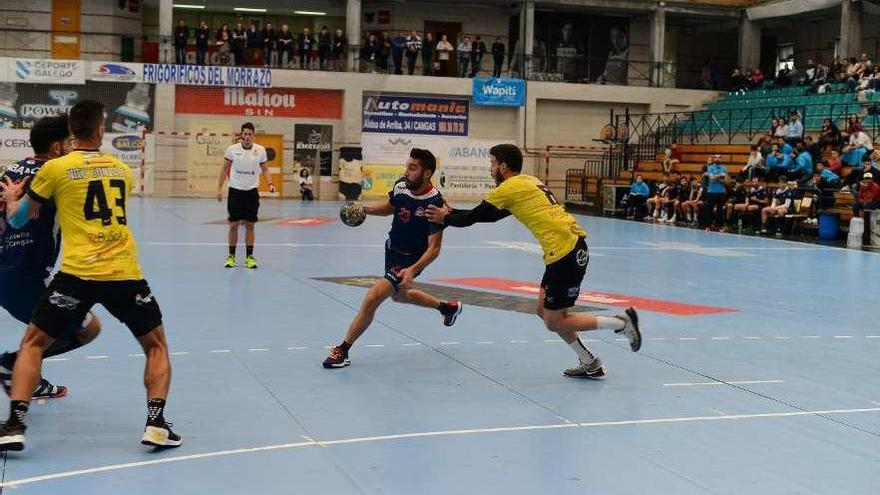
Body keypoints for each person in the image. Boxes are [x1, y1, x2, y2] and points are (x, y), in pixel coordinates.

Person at [0, 100, 180, 451]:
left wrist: (11, 200)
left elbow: (20, 220)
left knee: (33, 344)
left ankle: (14, 426)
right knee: (155, 346)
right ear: (101, 131)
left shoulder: (55, 170)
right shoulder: (121, 170)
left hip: (77, 273)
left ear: (71, 134)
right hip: (123, 272)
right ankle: (156, 425)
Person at [425, 144, 642, 379]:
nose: (491, 169)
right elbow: (489, 215)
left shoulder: (509, 187)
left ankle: (620, 322)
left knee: (554, 320)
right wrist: (452, 212)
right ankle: (590, 362)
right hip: (563, 250)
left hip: (565, 253)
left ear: (504, 167)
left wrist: (446, 218)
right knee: (544, 311)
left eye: (492, 163)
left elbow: (474, 218)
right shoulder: (528, 182)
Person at [323, 149, 463, 369]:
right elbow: (390, 208)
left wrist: (413, 269)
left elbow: (434, 248)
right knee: (400, 297)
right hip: (392, 250)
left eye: (412, 167)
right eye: (407, 165)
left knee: (372, 298)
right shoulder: (400, 186)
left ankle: (343, 350)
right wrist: (365, 210)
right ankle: (447, 308)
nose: (406, 171)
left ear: (426, 174)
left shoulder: (434, 204)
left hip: (410, 260)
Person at [0, 115, 102, 400]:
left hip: (6, 271)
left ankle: (32, 380)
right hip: (29, 276)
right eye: (70, 142)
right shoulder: (56, 173)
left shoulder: (13, 169)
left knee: (41, 330)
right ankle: (14, 366)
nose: (73, 147)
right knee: (89, 329)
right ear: (57, 147)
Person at [216, 122, 275, 269]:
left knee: (250, 225)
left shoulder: (260, 151)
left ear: (253, 136)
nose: (247, 137)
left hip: (251, 192)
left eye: (250, 134)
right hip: (235, 191)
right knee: (234, 225)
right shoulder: (232, 150)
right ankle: (231, 257)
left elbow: (265, 170)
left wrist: (270, 184)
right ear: (241, 135)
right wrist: (219, 188)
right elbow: (224, 169)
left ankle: (249, 257)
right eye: (245, 134)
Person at [704, 155, 728, 232]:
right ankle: (708, 226)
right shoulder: (710, 168)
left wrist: (717, 178)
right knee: (709, 210)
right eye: (716, 157)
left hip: (721, 192)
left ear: (721, 159)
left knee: (720, 210)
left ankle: (720, 227)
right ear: (714, 159)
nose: (717, 158)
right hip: (712, 192)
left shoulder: (724, 168)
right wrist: (720, 176)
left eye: (719, 157)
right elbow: (711, 179)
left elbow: (726, 181)